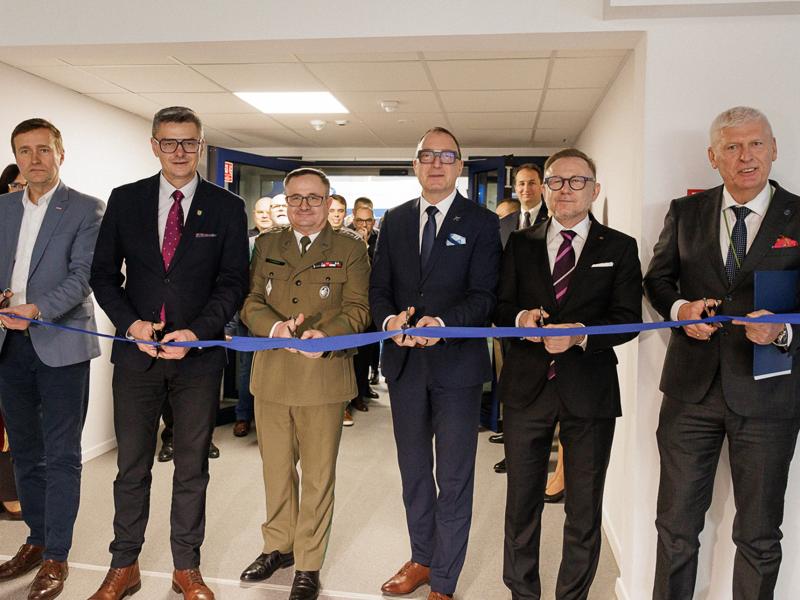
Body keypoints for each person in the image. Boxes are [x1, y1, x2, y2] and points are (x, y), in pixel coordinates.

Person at [88, 106, 249, 600]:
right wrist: (131, 324)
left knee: (191, 467)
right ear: (154, 145)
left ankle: (187, 567)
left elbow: (232, 282)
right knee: (131, 468)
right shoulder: (126, 200)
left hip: (197, 360)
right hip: (136, 357)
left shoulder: (226, 206)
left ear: (201, 145)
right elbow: (102, 276)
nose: (180, 152)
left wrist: (197, 331)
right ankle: (124, 564)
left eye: (189, 142)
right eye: (169, 142)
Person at [644, 106, 800, 600]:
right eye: (732, 147)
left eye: (756, 144)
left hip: (769, 397)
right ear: (713, 157)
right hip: (690, 394)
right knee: (675, 527)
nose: (745, 156)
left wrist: (782, 332)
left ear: (774, 149)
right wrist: (680, 309)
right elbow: (657, 279)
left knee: (759, 535)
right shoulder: (685, 212)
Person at [495, 148, 642, 600]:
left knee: (583, 508)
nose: (565, 189)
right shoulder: (520, 243)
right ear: (544, 189)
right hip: (526, 388)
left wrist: (580, 335)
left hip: (590, 390)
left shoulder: (619, 247)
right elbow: (500, 307)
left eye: (577, 181)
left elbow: (628, 319)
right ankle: (522, 593)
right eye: (556, 181)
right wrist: (521, 319)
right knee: (521, 504)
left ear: (594, 190)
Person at [370, 126, 501, 600]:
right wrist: (390, 320)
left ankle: (444, 580)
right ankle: (421, 557)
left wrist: (443, 323)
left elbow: (485, 295)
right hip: (404, 366)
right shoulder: (395, 220)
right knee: (414, 473)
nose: (437, 164)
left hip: (457, 369)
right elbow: (379, 287)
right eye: (427, 155)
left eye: (447, 156)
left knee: (454, 476)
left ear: (460, 166)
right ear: (415, 165)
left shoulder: (481, 222)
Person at [240, 167, 370, 600]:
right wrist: (274, 328)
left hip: (323, 377)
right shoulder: (267, 244)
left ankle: (308, 562)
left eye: (314, 198)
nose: (304, 206)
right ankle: (278, 546)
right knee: (275, 471)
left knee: (317, 476)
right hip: (272, 375)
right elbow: (251, 300)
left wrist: (325, 336)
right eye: (295, 197)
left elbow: (358, 309)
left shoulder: (350, 248)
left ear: (328, 202)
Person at [0, 118, 104, 600]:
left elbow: (83, 276)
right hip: (9, 345)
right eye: (24, 151)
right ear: (16, 157)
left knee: (61, 455)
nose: (34, 159)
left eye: (43, 149)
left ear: (61, 153)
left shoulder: (86, 208)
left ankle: (56, 556)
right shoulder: (2, 208)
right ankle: (37, 540)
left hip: (61, 340)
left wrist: (37, 309)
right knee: (24, 451)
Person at [493, 163, 551, 475]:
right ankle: (513, 445)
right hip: (510, 319)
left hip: (546, 322)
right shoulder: (505, 224)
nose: (526, 189)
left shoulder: (552, 218)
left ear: (541, 186)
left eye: (531, 183)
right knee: (511, 383)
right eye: (521, 184)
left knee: (544, 390)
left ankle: (543, 448)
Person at [0, 163, 27, 520]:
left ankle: (13, 489)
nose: (22, 191)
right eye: (14, 186)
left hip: (27, 337)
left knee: (16, 421)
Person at [350, 204, 380, 415]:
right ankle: (353, 396)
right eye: (360, 220)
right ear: (353, 221)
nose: (364, 225)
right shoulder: (348, 239)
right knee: (354, 354)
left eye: (368, 220)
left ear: (373, 221)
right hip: (353, 306)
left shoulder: (380, 240)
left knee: (367, 352)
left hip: (373, 304)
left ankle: (363, 389)